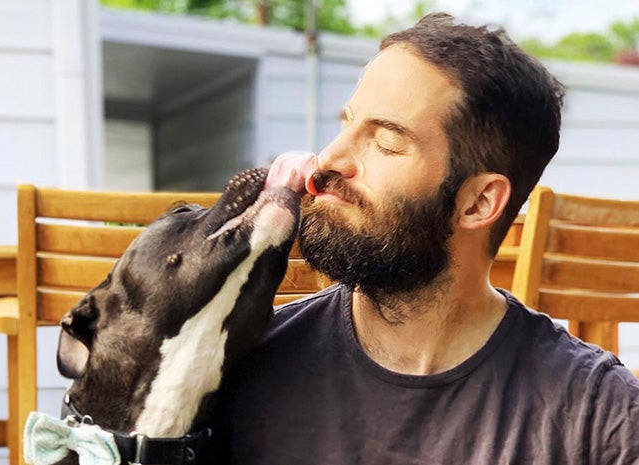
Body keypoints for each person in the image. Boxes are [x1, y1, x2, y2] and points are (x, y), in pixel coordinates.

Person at [207, 12, 639, 464]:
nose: (329, 158)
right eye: (347, 123)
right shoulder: (243, 368)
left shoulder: (597, 420)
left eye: (387, 142)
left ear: (478, 203)